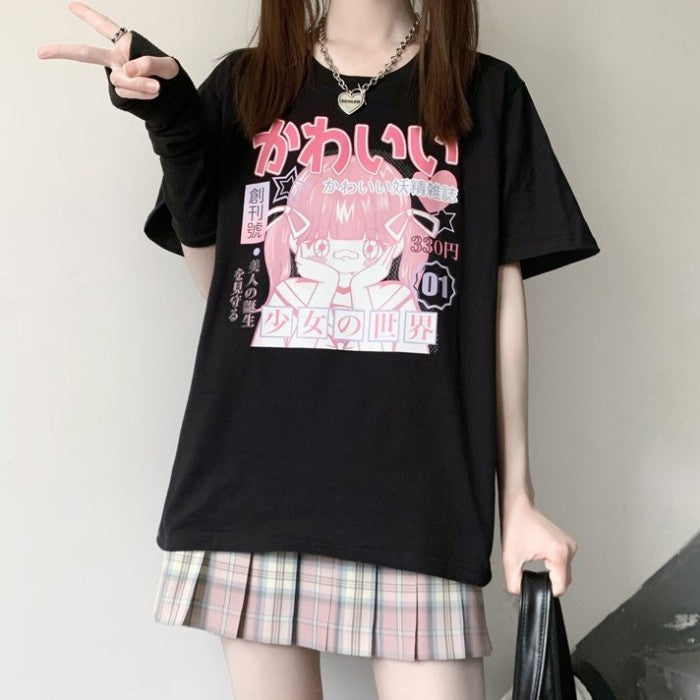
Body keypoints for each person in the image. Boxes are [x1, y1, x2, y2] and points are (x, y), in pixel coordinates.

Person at [37, 1, 600, 698]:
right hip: (254, 486)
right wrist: (175, 127)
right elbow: (227, 293)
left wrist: (518, 500)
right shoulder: (246, 85)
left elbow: (500, 303)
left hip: (419, 497)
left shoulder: (485, 91)